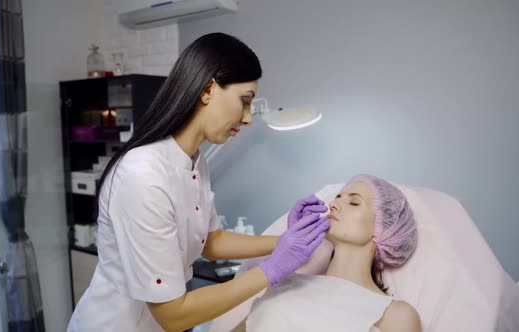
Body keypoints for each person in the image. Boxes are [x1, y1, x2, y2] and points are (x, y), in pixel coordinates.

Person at [66, 32, 330, 332]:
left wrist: (287, 242)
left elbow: (212, 242)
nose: (247, 118)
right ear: (208, 88)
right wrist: (272, 269)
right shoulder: (143, 175)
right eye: (244, 101)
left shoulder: (194, 160)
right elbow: (173, 314)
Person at [232, 174, 421, 332]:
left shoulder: (395, 315)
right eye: (338, 197)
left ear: (385, 229)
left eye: (354, 203)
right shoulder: (287, 284)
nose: (334, 204)